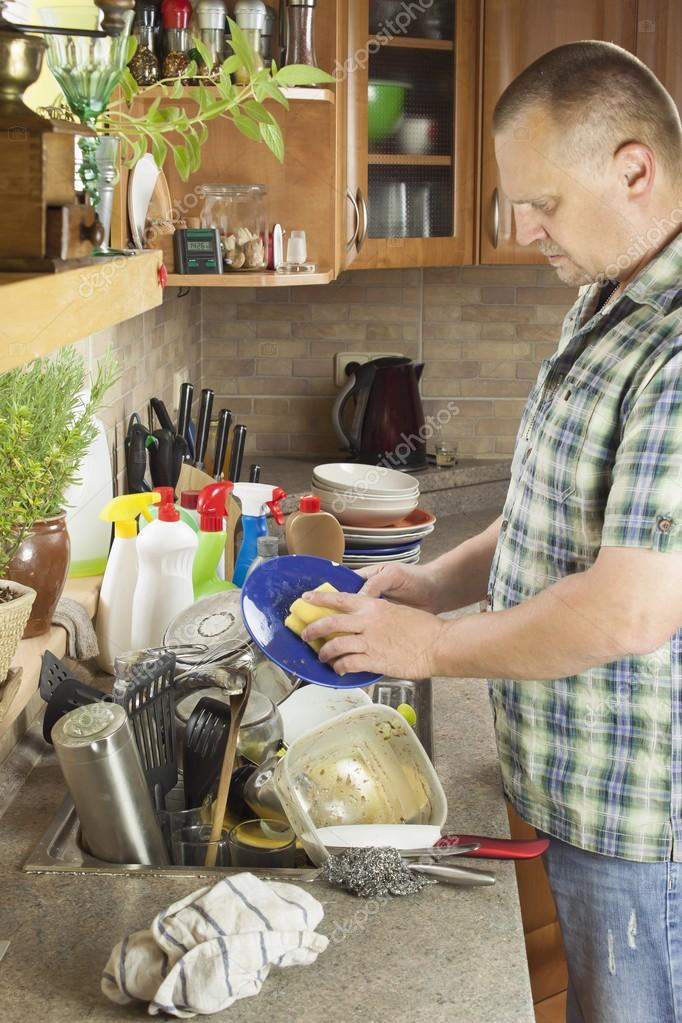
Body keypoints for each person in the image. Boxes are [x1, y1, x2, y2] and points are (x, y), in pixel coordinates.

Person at [301, 40, 682, 1023]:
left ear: (633, 169)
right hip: (569, 787)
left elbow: (628, 608)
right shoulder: (607, 299)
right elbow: (544, 517)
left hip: (642, 825)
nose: (520, 229)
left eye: (541, 203)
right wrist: (431, 586)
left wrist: (429, 647)